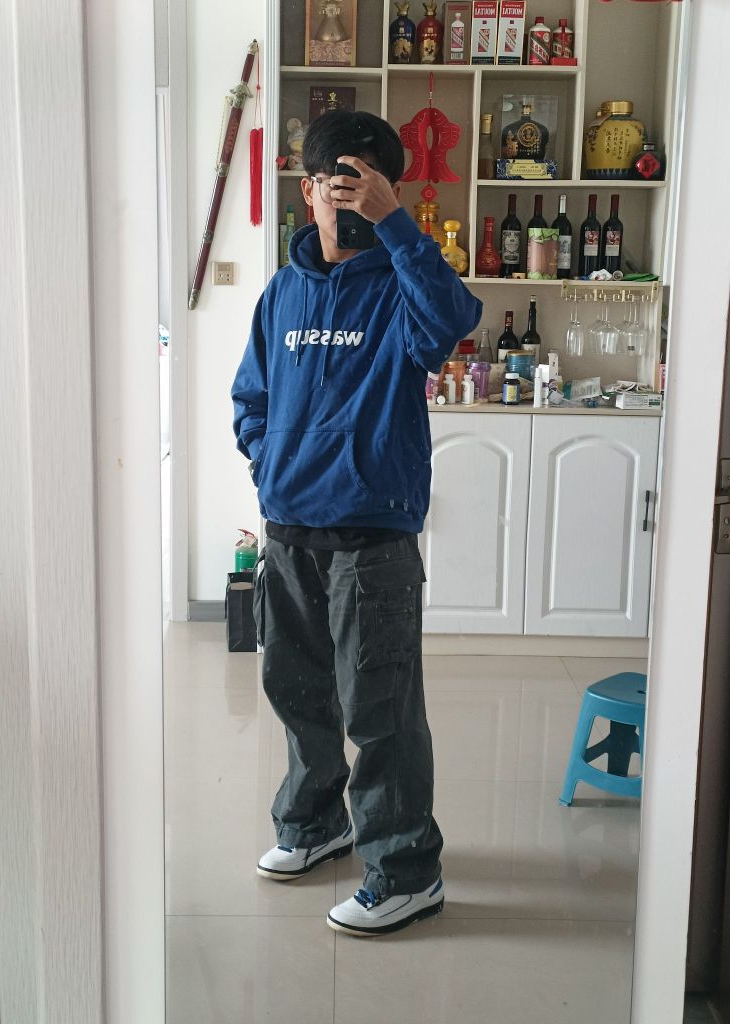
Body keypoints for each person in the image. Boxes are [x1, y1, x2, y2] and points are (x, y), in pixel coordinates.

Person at [231, 110, 482, 937]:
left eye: (361, 183)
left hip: (372, 536)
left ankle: (406, 872)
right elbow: (251, 396)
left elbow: (453, 321)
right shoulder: (283, 291)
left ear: (384, 189)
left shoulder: (403, 284)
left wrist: (395, 225)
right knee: (297, 694)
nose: (342, 198)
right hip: (289, 529)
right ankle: (314, 825)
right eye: (330, 183)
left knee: (380, 711)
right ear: (306, 190)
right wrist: (268, 461)